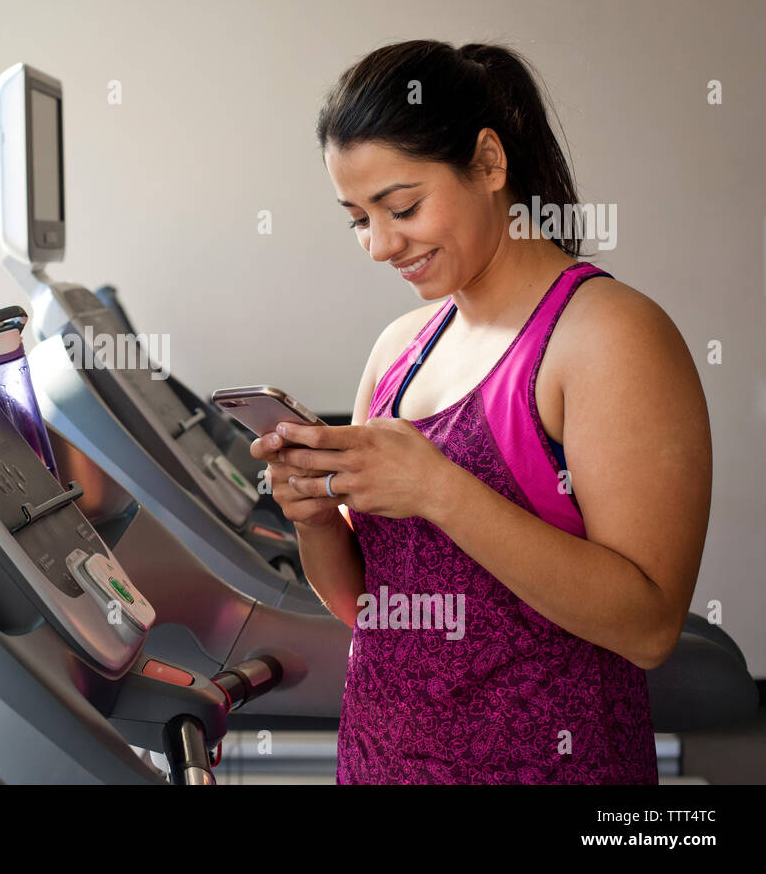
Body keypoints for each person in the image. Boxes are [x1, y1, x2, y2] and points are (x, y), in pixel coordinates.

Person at [253, 40, 711, 784]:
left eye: (401, 207)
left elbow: (650, 626)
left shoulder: (607, 337)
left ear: (491, 164)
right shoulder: (401, 349)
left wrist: (437, 489)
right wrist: (311, 514)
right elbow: (366, 609)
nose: (378, 246)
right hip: (381, 762)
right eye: (357, 219)